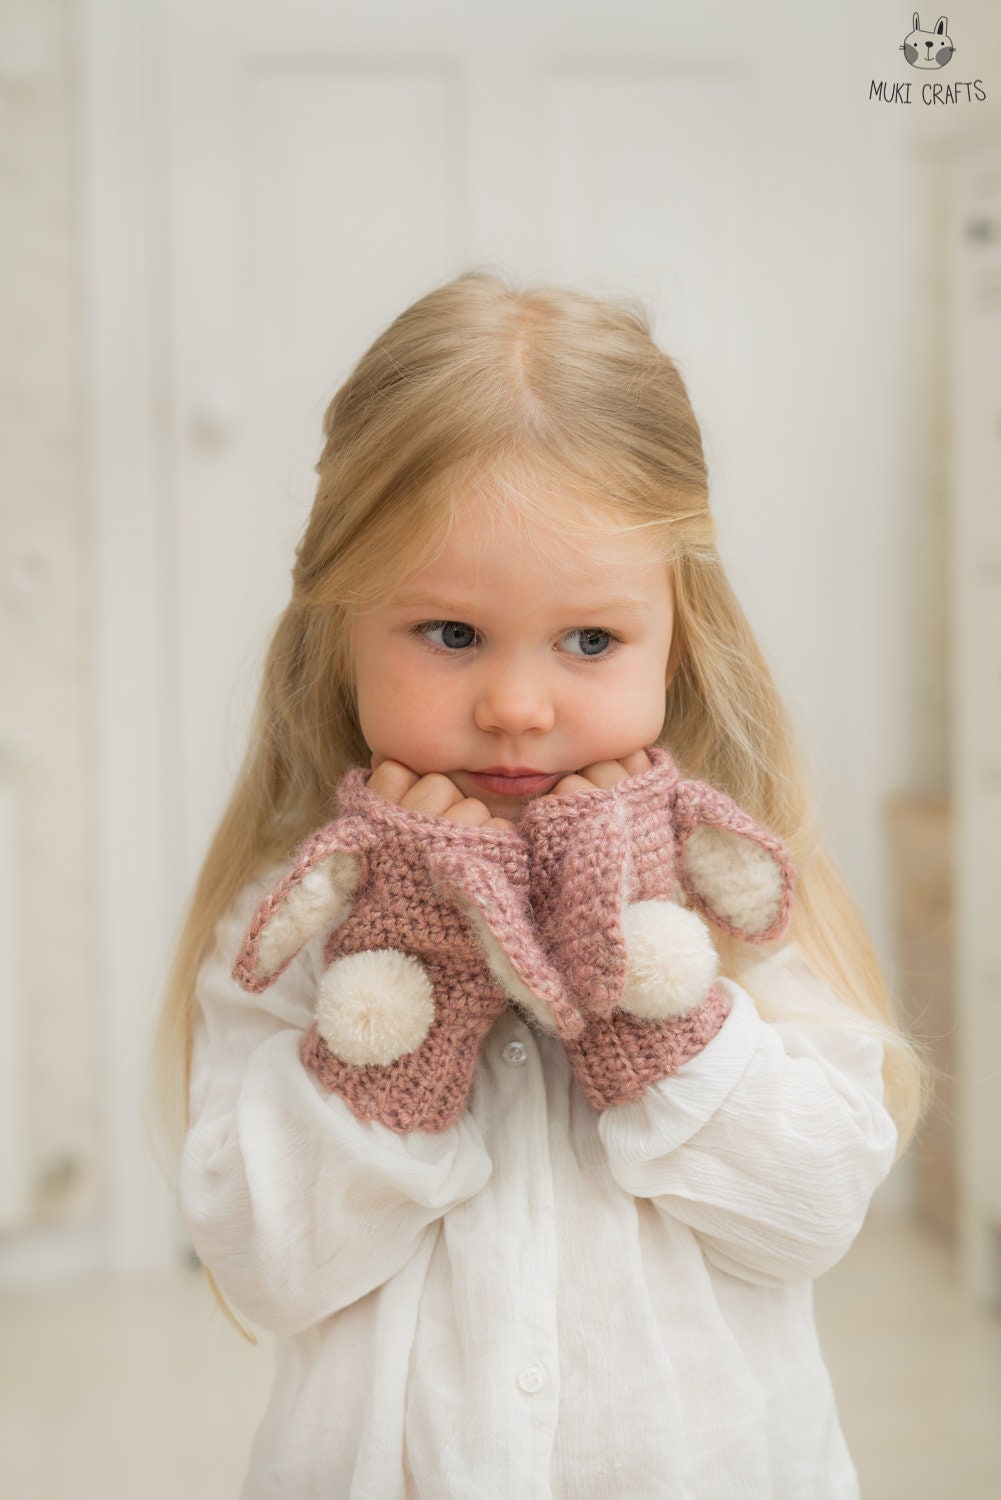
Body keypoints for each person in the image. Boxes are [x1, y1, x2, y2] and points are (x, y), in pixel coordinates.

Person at [149, 267, 928, 1498]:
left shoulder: (732, 898)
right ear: (339, 624)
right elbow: (263, 1265)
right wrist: (411, 977)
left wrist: (635, 963)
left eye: (588, 641)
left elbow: (809, 1212)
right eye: (449, 634)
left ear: (676, 635)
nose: (515, 705)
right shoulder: (292, 917)